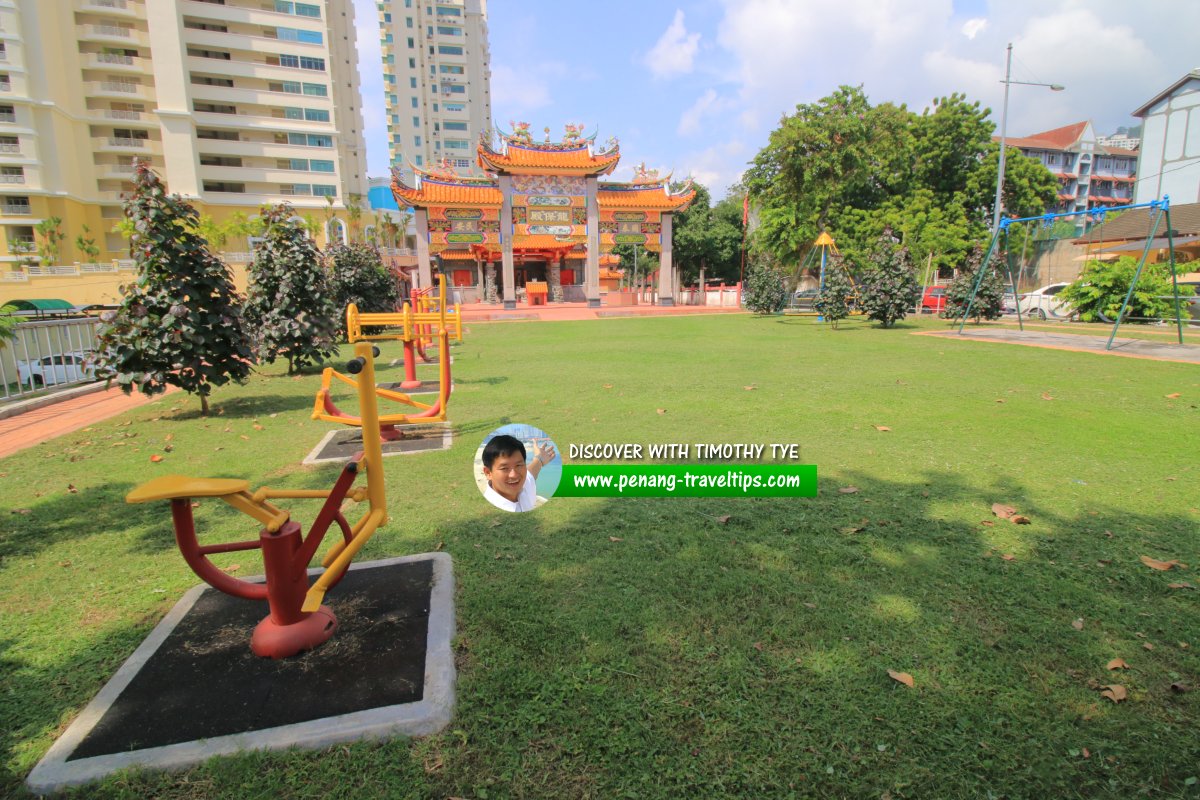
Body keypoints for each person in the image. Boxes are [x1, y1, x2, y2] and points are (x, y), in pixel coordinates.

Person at [481, 434, 556, 512]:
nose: (514, 475)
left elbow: (531, 473)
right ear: (488, 473)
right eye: (504, 468)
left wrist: (539, 458)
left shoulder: (524, 486)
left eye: (519, 465)